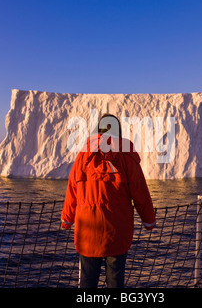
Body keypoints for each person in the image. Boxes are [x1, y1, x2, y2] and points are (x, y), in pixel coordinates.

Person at [61, 113, 156, 288]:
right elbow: (140, 192)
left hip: (87, 233)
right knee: (115, 282)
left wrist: (67, 219)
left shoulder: (83, 156)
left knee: (87, 283)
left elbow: (72, 188)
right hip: (117, 232)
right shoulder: (127, 157)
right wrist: (148, 221)